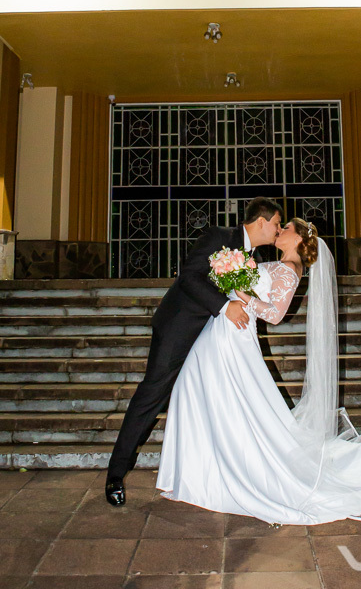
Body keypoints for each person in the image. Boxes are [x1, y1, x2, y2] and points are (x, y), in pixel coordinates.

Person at [155, 218, 361, 528]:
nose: (280, 230)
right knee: (207, 396)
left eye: (285, 227)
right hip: (224, 331)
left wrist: (241, 294)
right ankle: (200, 472)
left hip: (236, 334)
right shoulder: (276, 264)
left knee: (227, 402)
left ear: (299, 238)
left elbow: (275, 314)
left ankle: (216, 474)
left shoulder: (290, 269)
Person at [105, 196, 283, 506]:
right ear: (261, 222)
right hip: (179, 329)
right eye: (277, 224)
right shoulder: (219, 236)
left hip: (212, 341)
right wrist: (225, 306)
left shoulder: (252, 256)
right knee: (151, 396)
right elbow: (189, 277)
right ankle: (115, 475)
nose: (279, 230)